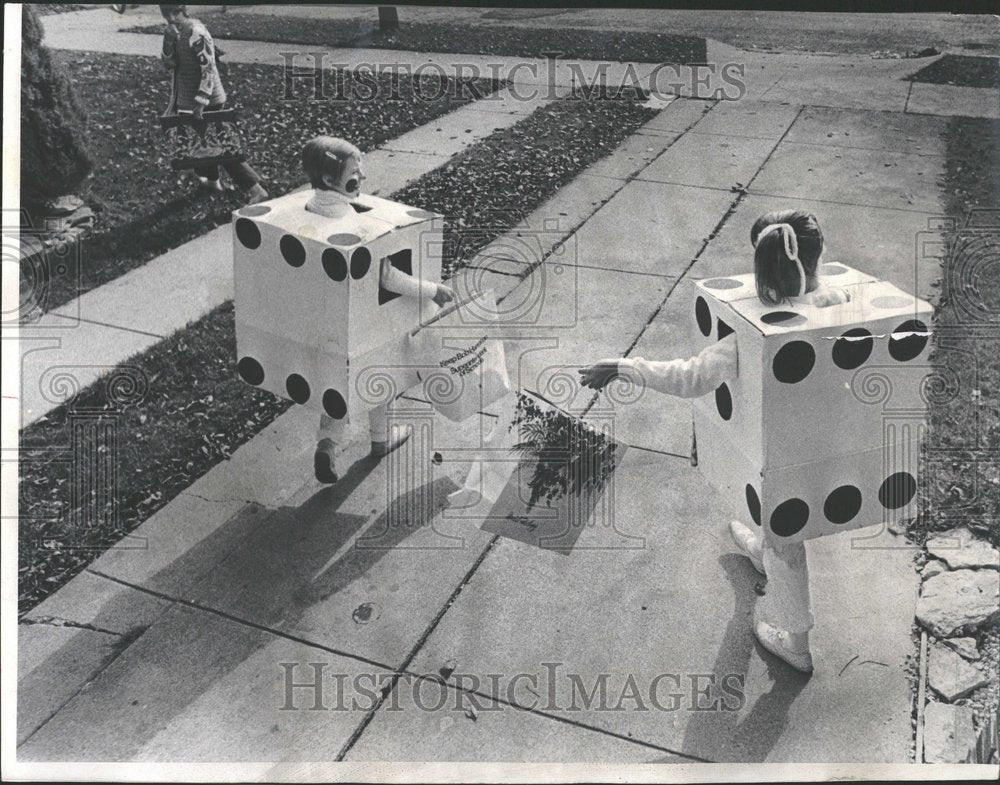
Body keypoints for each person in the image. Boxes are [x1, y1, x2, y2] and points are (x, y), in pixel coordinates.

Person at [578, 210, 851, 675]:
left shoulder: (745, 337)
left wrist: (624, 366)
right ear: (820, 254)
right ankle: (764, 548)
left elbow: (689, 377)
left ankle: (796, 642)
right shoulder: (840, 300)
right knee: (779, 519)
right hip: (832, 443)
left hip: (784, 454)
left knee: (788, 539)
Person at [301, 136, 456, 484]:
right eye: (355, 173)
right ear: (330, 180)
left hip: (323, 320)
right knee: (379, 378)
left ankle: (327, 443)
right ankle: (381, 440)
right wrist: (433, 290)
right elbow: (387, 276)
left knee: (337, 386)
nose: (363, 179)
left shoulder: (308, 211)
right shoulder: (355, 225)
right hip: (364, 320)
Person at [159, 4, 268, 204]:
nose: (171, 18)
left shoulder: (196, 32)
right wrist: (168, 42)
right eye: (167, 14)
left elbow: (209, 68)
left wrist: (201, 101)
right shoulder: (177, 33)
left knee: (223, 149)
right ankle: (212, 181)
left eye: (175, 13)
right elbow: (170, 64)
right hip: (187, 98)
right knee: (202, 144)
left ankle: (256, 189)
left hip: (207, 99)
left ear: (185, 11)